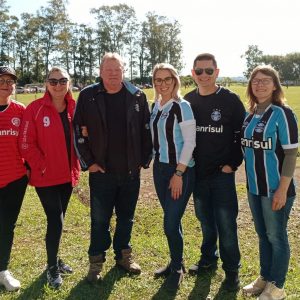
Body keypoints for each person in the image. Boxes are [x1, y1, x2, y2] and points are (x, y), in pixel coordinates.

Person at [73, 52, 152, 283]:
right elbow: (78, 130)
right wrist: (90, 163)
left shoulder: (136, 95)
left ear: (123, 71)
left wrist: (143, 160)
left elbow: (146, 129)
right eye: (108, 70)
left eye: (117, 70)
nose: (113, 74)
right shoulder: (88, 95)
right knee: (100, 220)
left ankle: (123, 256)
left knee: (126, 217)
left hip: (130, 172)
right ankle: (96, 263)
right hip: (102, 173)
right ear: (100, 72)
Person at [184, 53, 245, 291]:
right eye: (199, 71)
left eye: (209, 71)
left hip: (222, 175)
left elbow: (242, 134)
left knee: (226, 224)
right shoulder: (188, 100)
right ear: (193, 73)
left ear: (217, 72)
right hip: (197, 174)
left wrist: (233, 164)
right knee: (206, 221)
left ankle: (232, 272)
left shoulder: (230, 100)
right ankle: (209, 259)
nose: (204, 75)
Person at [19, 67, 80, 289]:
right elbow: (25, 144)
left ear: (69, 83)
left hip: (67, 175)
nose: (58, 85)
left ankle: (56, 259)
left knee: (59, 218)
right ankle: (51, 268)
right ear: (46, 83)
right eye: (53, 81)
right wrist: (42, 166)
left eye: (62, 80)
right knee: (56, 220)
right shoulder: (35, 109)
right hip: (45, 177)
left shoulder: (74, 107)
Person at [241, 65, 298, 300]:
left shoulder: (283, 113)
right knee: (263, 235)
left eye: (265, 81)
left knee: (277, 236)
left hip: (275, 189)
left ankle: (277, 286)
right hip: (254, 188)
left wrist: (282, 190)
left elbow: (291, 154)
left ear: (275, 85)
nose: (260, 85)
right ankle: (264, 277)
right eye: (256, 81)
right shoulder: (251, 113)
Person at [150, 63, 196, 290]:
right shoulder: (155, 105)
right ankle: (175, 262)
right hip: (159, 169)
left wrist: (179, 172)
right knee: (171, 218)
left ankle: (177, 269)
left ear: (175, 80)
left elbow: (190, 142)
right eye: (158, 80)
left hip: (180, 171)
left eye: (167, 79)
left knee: (169, 222)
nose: (163, 83)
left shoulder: (182, 106)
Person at [0, 66, 28, 291]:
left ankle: (2, 270)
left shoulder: (20, 110)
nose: (7, 85)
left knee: (6, 226)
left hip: (14, 180)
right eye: (2, 80)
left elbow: (28, 144)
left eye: (11, 81)